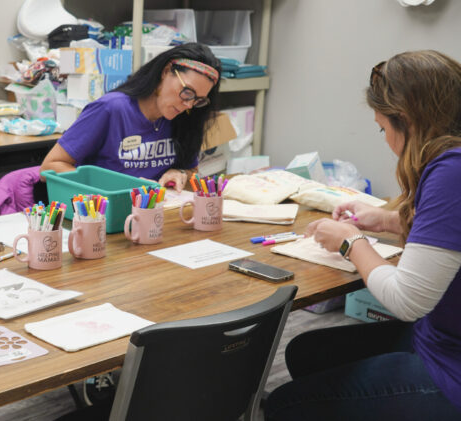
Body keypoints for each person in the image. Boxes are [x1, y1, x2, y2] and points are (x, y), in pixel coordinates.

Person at [265, 50, 461, 420]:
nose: (386, 140)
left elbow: (406, 300)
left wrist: (350, 241)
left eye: (383, 128)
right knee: (305, 353)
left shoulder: (451, 171)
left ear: (407, 121)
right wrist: (387, 222)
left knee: (284, 405)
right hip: (442, 335)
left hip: (450, 364)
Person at [40, 42, 222, 192]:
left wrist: (179, 173)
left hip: (155, 215)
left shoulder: (186, 118)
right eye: (187, 92)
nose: (189, 105)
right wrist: (115, 189)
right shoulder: (111, 109)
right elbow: (49, 167)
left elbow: (192, 171)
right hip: (104, 214)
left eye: (198, 100)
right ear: (166, 71)